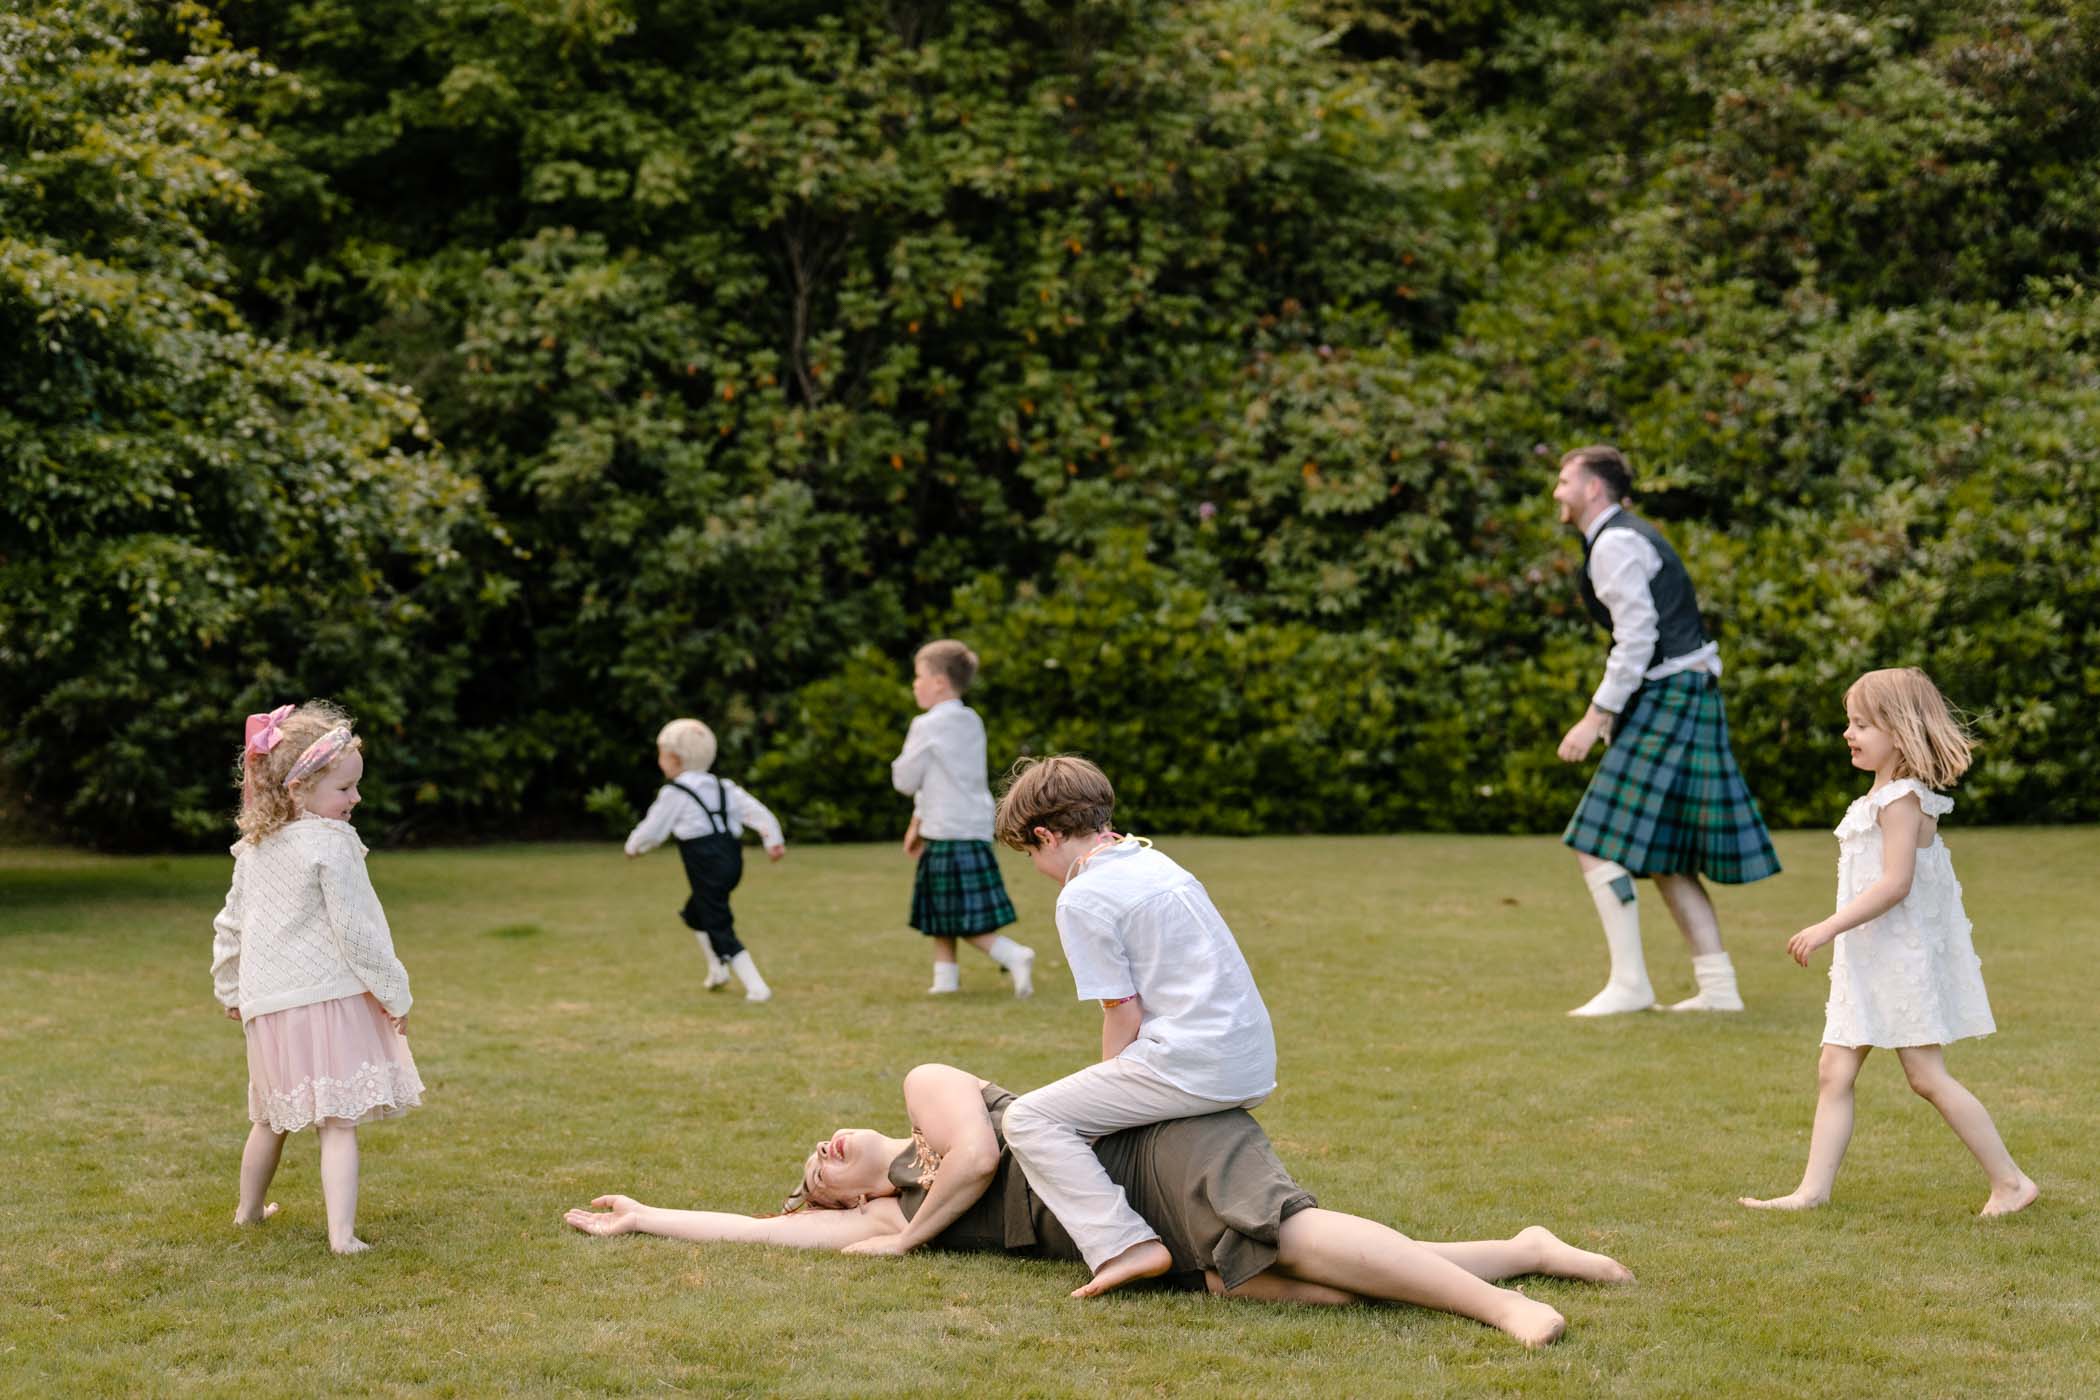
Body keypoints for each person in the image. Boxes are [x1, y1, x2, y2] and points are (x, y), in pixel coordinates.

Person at [564, 1063, 1633, 1347]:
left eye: (819, 1146)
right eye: (818, 1179)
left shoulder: (928, 1092)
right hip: (1140, 1222)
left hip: (1153, 1144)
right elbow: (753, 1232)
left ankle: (1504, 1307)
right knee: (1288, 1277)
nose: (822, 1154)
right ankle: (1523, 1248)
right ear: (846, 1201)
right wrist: (648, 1214)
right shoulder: (884, 1214)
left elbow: (980, 1156)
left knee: (1294, 1232)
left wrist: (909, 1238)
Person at [1741, 669, 2038, 1216]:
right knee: (1833, 1071)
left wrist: (1827, 927)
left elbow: (1896, 884)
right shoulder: (1880, 795)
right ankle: (1812, 1192)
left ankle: (2012, 1183)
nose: (1848, 734)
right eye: (1849, 722)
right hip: (1866, 960)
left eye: (1861, 724)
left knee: (1926, 1077)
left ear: (1898, 732)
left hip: (1898, 962)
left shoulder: (1902, 799)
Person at [989, 756, 1275, 1298]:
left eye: (1029, 854)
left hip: (1197, 1061)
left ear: (1046, 836)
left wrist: (1104, 1096)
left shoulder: (1082, 895)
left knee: (1029, 1119)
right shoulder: (1155, 860)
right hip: (1248, 1056)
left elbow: (1122, 1012)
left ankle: (1124, 1246)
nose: (1037, 867)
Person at [1551, 444, 1781, 1016]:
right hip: (1680, 690)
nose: (1558, 492)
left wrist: (1595, 717)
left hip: (1672, 693)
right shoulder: (1620, 537)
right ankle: (1719, 989)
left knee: (1594, 840)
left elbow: (1637, 637)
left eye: (1565, 481)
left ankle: (1631, 985)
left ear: (1593, 489)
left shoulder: (1615, 542)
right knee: (1667, 854)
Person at [209, 701, 422, 1254]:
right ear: (299, 788)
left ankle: (248, 1212)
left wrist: (230, 990)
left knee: (270, 1116)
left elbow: (231, 924)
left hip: (268, 1005)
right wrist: (395, 992)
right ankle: (341, 1236)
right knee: (337, 1122)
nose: (356, 799)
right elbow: (358, 930)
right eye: (345, 788)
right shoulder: (331, 843)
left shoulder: (255, 848)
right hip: (326, 999)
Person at [891, 639, 1034, 996]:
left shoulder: (926, 725)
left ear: (939, 682)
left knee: (954, 915)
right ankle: (945, 981)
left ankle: (1013, 955)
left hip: (946, 830)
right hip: (971, 826)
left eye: (919, 676)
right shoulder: (972, 720)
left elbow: (905, 781)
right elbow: (942, 780)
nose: (915, 684)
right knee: (944, 912)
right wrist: (916, 824)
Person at [624, 718, 785, 1002]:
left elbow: (655, 828)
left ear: (674, 759)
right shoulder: (723, 786)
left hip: (705, 864)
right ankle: (718, 970)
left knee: (717, 922)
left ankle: (757, 986)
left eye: (661, 754)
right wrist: (773, 840)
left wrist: (634, 846)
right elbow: (757, 812)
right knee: (696, 913)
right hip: (731, 862)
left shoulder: (675, 793)